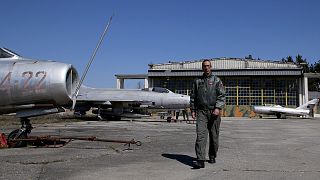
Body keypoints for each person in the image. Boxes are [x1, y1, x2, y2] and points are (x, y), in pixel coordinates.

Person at [190, 59, 226, 169]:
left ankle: (212, 155)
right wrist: (192, 109)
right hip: (201, 112)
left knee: (214, 137)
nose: (206, 68)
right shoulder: (197, 81)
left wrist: (217, 107)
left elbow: (222, 96)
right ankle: (200, 160)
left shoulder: (217, 81)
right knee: (201, 136)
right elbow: (193, 97)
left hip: (214, 112)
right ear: (202, 67)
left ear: (211, 67)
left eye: (208, 66)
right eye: (204, 66)